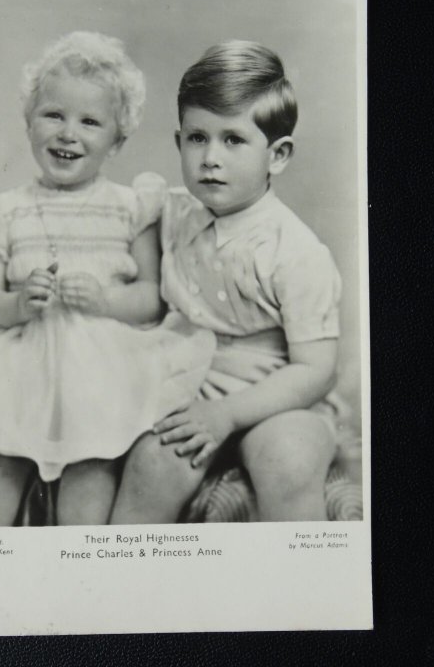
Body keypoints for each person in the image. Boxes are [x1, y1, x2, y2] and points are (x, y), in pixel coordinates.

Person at [0, 32, 213, 527]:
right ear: (29, 121)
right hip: (18, 361)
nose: (68, 134)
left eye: (90, 122)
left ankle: (79, 571)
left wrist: (104, 300)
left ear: (117, 141)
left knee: (93, 458)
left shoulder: (129, 207)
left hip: (101, 365)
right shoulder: (4, 210)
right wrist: (17, 306)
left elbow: (151, 300)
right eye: (53, 115)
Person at [110, 40, 346, 524]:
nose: (210, 158)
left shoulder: (295, 251)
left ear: (277, 155)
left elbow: (315, 370)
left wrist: (229, 416)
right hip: (187, 385)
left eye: (233, 140)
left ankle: (302, 587)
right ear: (179, 143)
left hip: (278, 396)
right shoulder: (169, 214)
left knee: (288, 456)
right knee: (151, 462)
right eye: (198, 138)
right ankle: (123, 585)